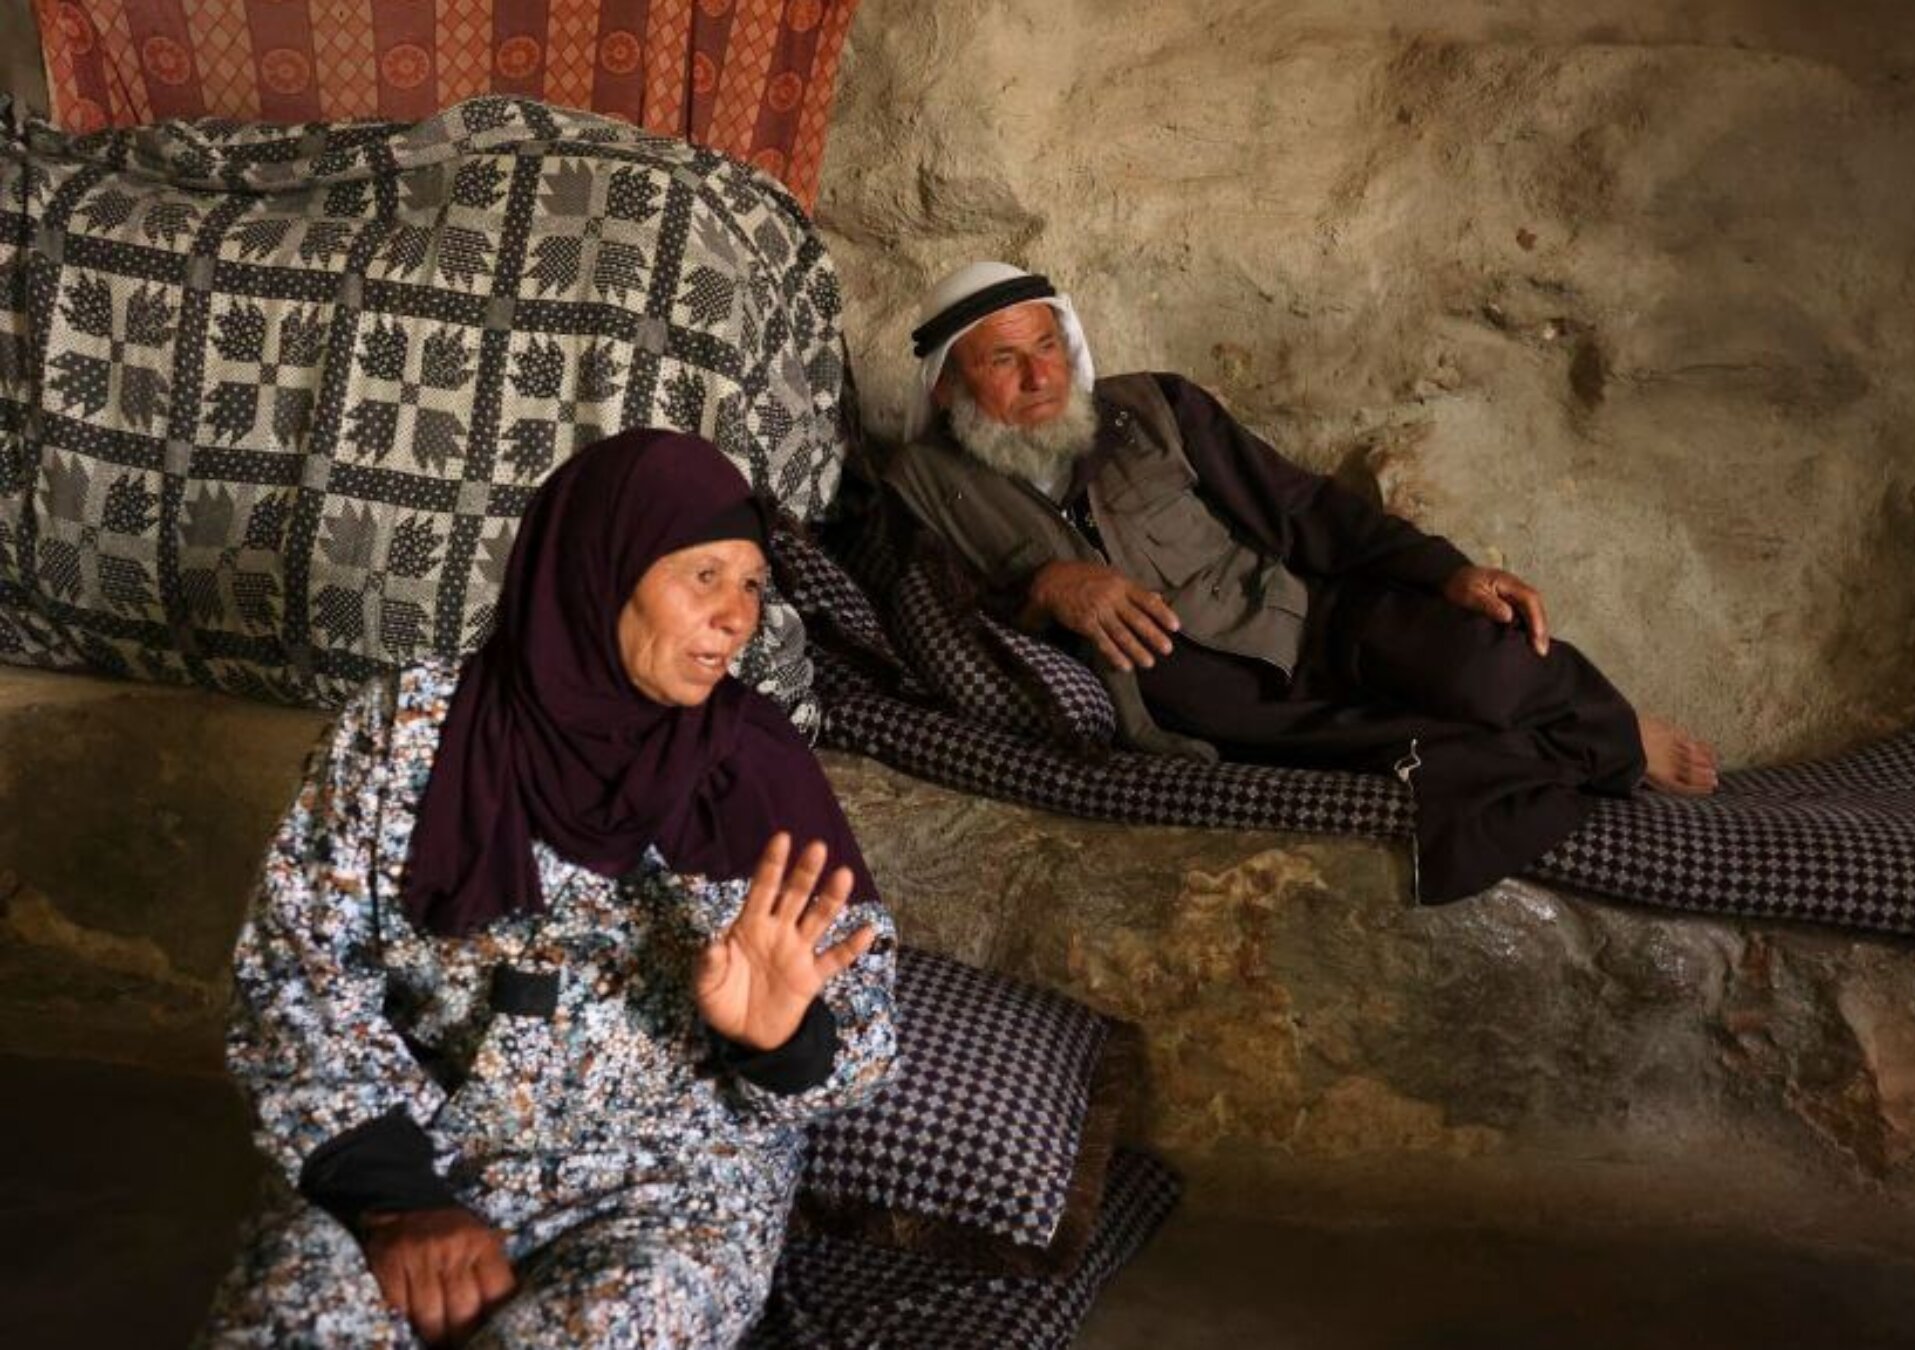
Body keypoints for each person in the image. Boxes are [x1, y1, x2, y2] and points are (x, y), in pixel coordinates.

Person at [201, 429, 897, 1347]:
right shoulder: (409, 730)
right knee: (289, 1322)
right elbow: (295, 978)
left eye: (753, 585)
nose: (738, 616)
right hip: (427, 1154)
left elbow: (866, 1033)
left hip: (671, 1190)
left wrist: (786, 1041)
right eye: (705, 576)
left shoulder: (756, 766)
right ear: (596, 568)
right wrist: (396, 1196)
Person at [881, 261, 1719, 902]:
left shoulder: (1153, 409)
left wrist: (1448, 570)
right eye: (1004, 359)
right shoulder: (919, 489)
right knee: (1448, 759)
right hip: (1222, 711)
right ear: (950, 382)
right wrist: (1044, 588)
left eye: (1047, 346)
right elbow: (920, 618)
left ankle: (1611, 727)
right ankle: (1591, 735)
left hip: (1311, 620)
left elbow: (1304, 507)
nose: (1040, 377)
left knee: (1490, 661)